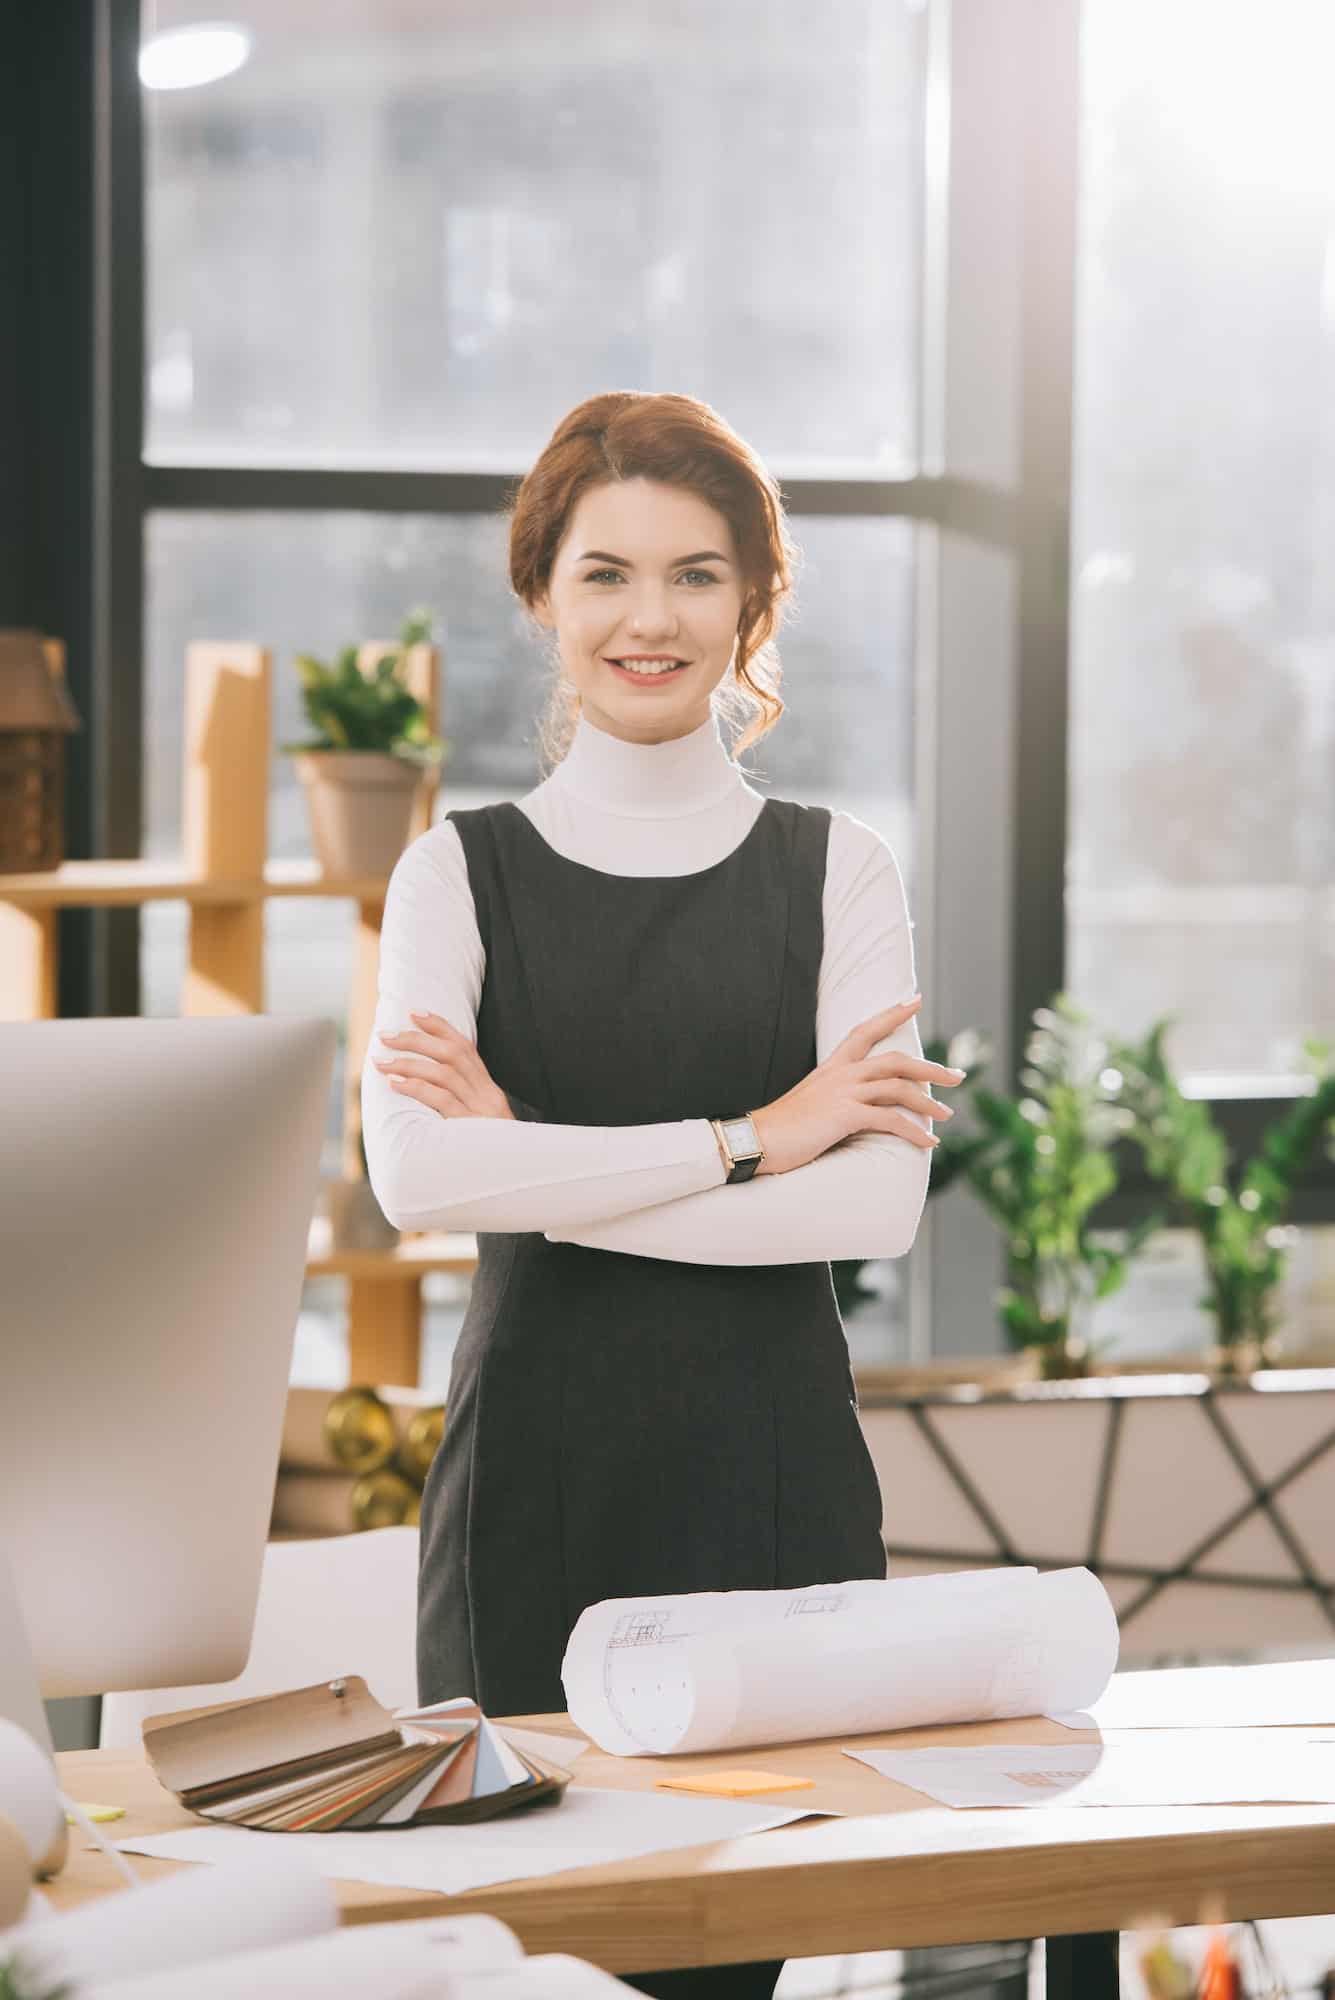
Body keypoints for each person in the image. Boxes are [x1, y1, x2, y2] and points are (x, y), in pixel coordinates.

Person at [362, 390, 966, 1999]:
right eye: (606, 573)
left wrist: (542, 1166)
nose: (651, 618)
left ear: (755, 605)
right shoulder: (454, 873)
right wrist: (756, 1136)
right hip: (531, 1494)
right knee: (525, 1958)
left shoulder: (840, 870)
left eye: (698, 575)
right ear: (542, 597)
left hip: (769, 1487)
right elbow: (419, 1175)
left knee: (733, 1958)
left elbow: (874, 1212)